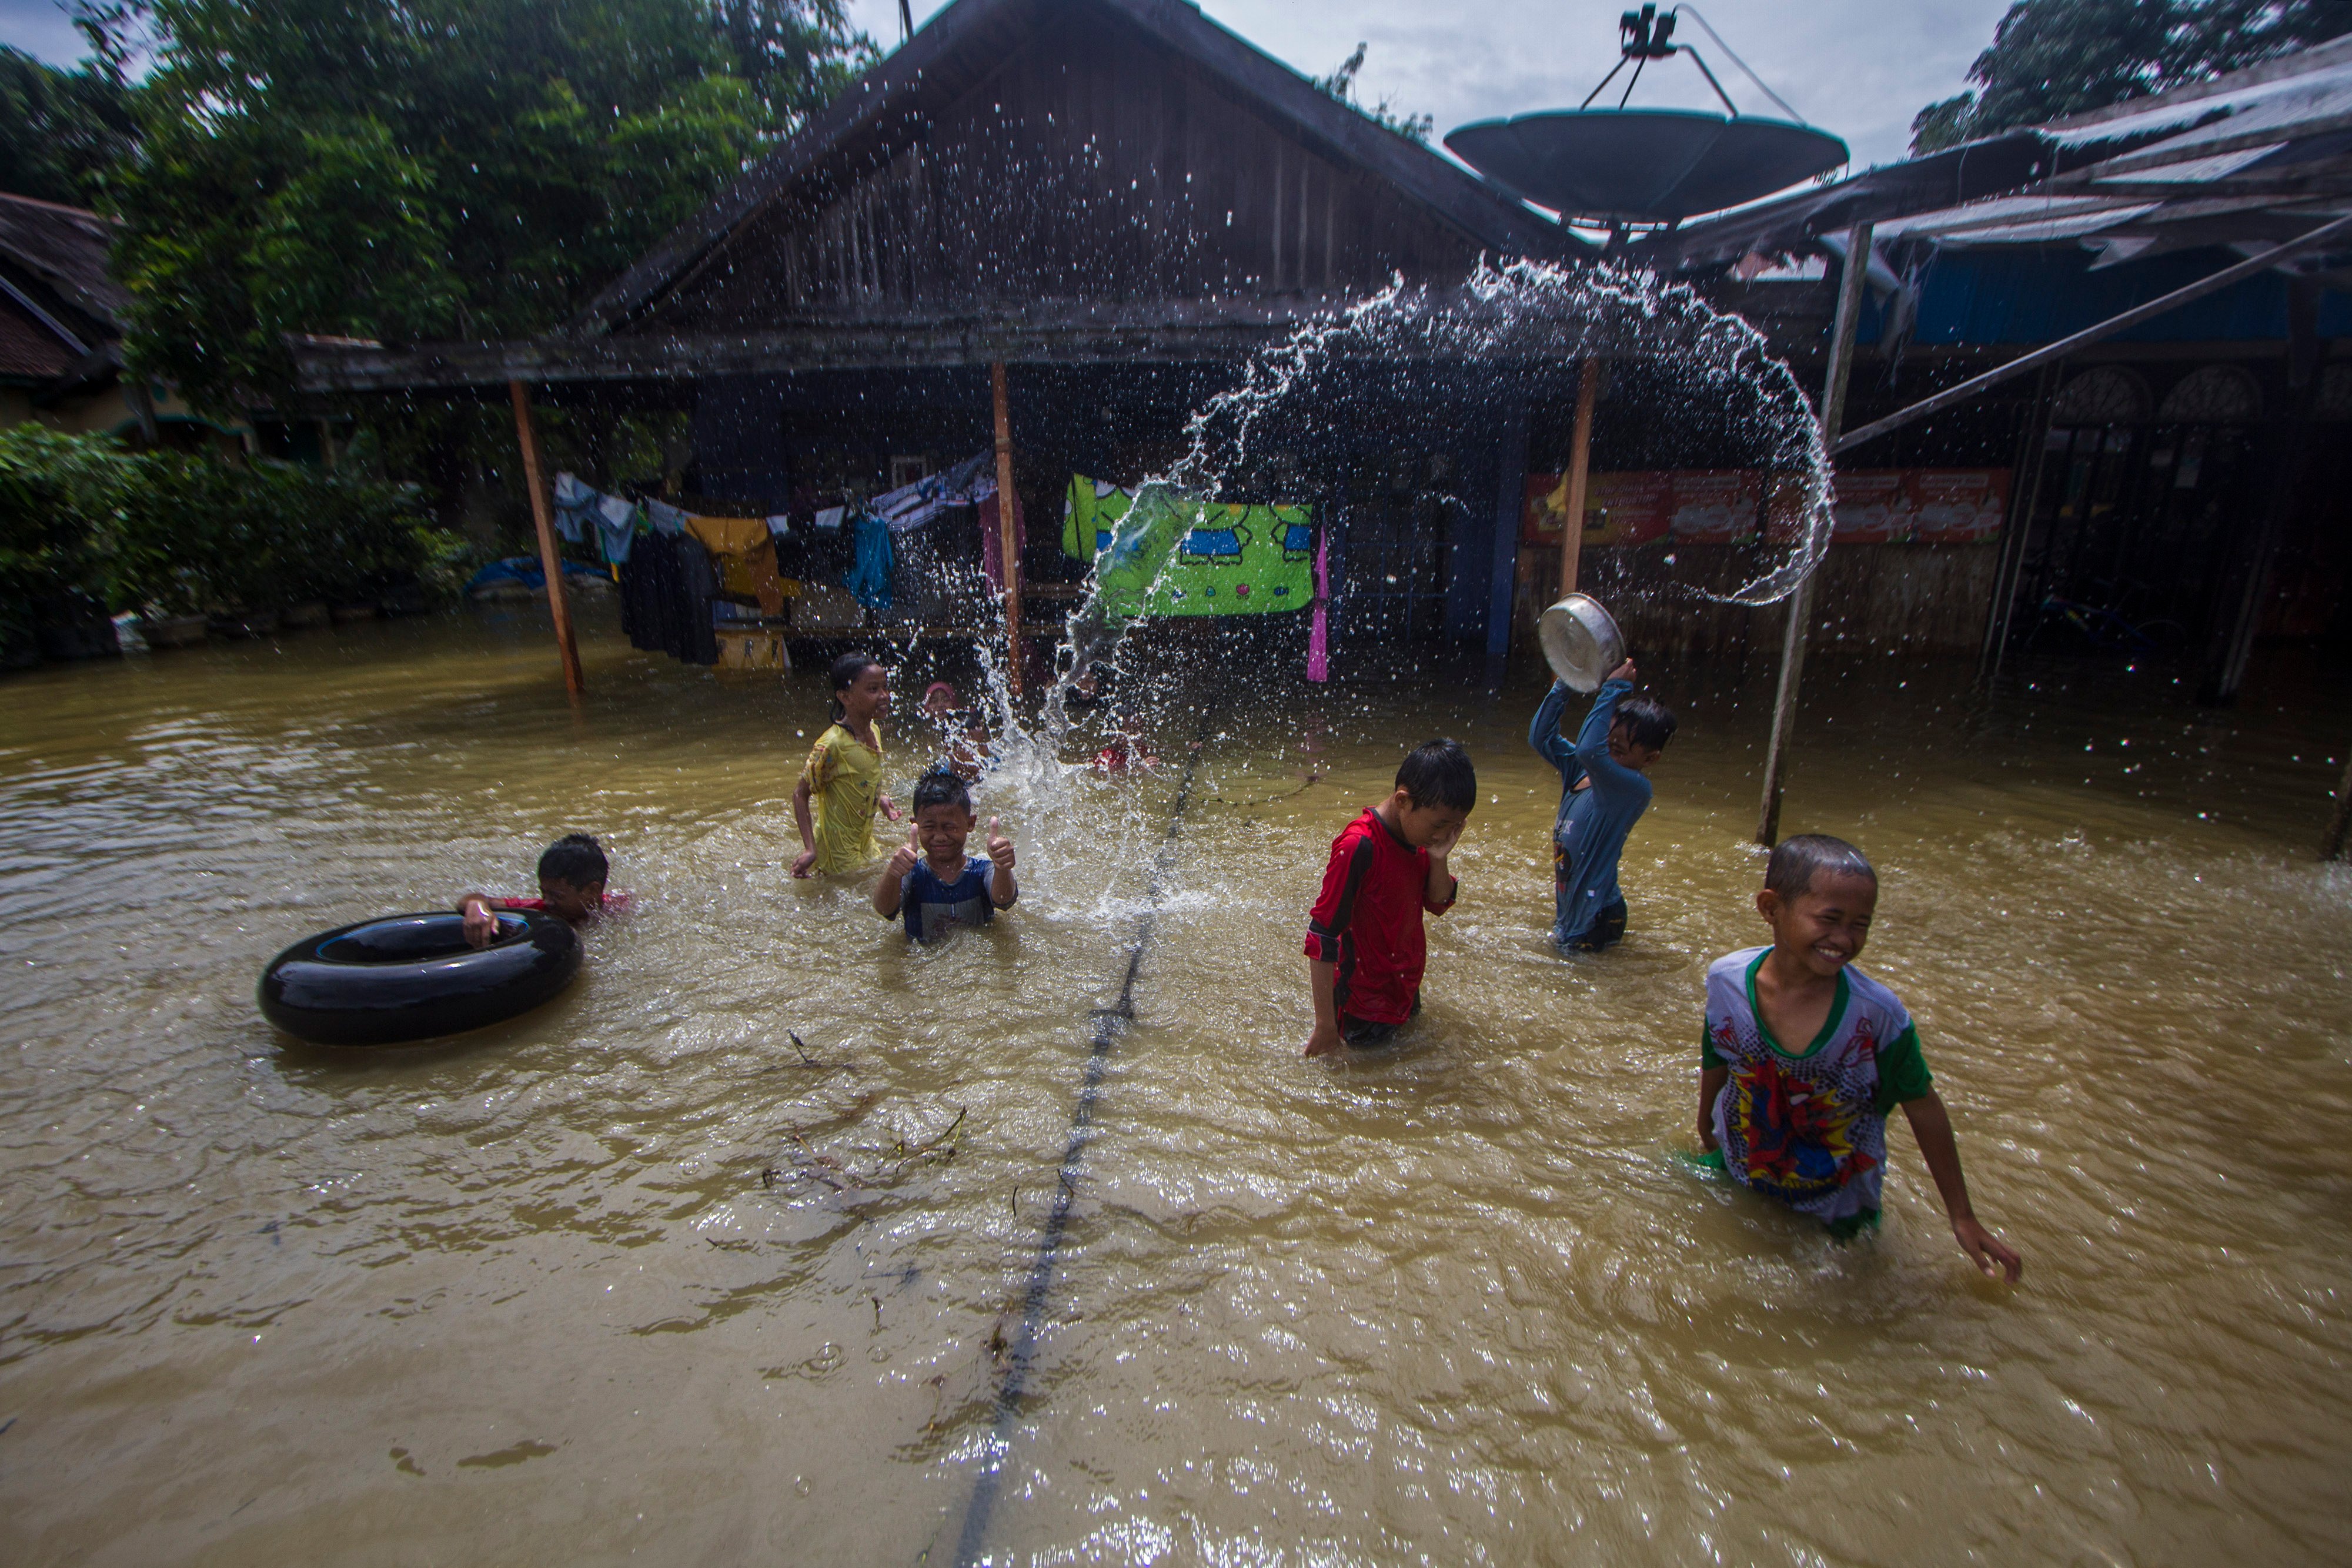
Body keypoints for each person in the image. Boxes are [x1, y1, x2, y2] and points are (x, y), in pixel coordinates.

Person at [1698, 834, 2023, 1280]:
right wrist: (1704, 1123)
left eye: (1860, 924)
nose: (1844, 938)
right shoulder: (1727, 980)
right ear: (1771, 908)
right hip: (1741, 1168)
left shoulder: (1878, 1017)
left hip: (1837, 1205)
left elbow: (1924, 1106)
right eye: (1830, 919)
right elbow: (1717, 1052)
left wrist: (1962, 1216)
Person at [1301, 740, 1474, 1056]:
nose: (1442, 835)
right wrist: (1325, 1026)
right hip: (1361, 1006)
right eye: (1439, 826)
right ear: (1404, 801)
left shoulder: (1421, 836)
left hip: (1405, 989)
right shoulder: (1359, 847)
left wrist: (1438, 857)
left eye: (1453, 827)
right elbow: (1322, 934)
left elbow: (1438, 902)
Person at [1529, 659, 1675, 953]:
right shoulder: (1581, 771)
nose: (1606, 754)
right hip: (1578, 906)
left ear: (1650, 759)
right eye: (1606, 744)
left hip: (1599, 915)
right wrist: (1565, 684)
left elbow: (1588, 749)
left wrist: (1613, 689)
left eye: (1617, 751)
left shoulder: (1632, 789)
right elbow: (1540, 737)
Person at [792, 652, 902, 878]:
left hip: (864, 845)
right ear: (845, 696)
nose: (885, 696)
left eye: (885, 687)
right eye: (873, 690)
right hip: (837, 857)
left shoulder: (874, 731)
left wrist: (878, 798)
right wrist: (810, 849)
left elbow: (857, 779)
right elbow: (800, 794)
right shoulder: (832, 745)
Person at [873, 771, 1018, 940]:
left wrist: (1002, 867)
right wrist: (893, 872)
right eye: (929, 827)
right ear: (916, 825)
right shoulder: (911, 874)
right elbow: (884, 909)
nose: (940, 837)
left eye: (950, 827)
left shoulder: (983, 871)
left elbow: (1004, 901)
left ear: (970, 823)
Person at [459, 833, 627, 947]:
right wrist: (477, 905)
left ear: (592, 891)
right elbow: (474, 900)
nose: (547, 901)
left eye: (556, 895)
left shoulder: (619, 910)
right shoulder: (539, 909)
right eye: (544, 893)